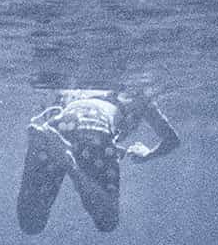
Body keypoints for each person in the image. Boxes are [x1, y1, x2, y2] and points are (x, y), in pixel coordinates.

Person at [17, 88, 178, 235]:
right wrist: (147, 155)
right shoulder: (138, 94)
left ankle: (44, 139)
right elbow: (172, 140)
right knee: (108, 220)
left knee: (31, 222)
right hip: (96, 128)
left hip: (62, 121)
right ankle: (68, 161)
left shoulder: (68, 92)